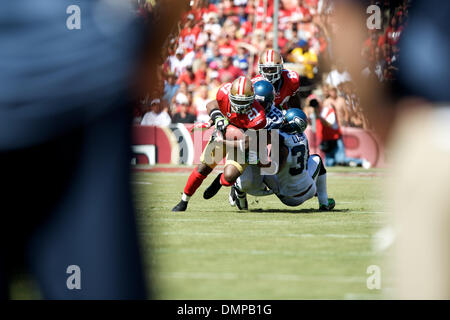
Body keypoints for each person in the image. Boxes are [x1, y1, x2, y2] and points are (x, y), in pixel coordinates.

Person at [172, 76, 267, 212]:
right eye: (236, 101)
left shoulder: (258, 116)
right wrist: (216, 119)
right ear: (230, 96)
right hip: (223, 132)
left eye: (243, 102)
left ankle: (220, 180)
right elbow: (211, 104)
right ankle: (183, 201)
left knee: (228, 178)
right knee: (202, 168)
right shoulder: (224, 93)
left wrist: (223, 140)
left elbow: (246, 144)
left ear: (252, 100)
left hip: (240, 143)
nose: (239, 106)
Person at [232, 108, 335, 211]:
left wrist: (256, 161)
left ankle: (242, 188)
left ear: (290, 124)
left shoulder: (281, 139)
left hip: (289, 198)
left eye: (285, 120)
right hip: (309, 189)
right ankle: (324, 202)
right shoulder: (303, 136)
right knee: (317, 159)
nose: (282, 121)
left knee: (261, 168)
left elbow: (274, 169)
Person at [309, 97, 370, 168]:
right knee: (329, 164)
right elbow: (313, 128)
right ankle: (351, 164)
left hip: (336, 138)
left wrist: (319, 117)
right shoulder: (314, 114)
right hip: (326, 141)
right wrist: (313, 115)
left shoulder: (329, 111)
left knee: (341, 159)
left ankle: (362, 161)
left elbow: (329, 124)